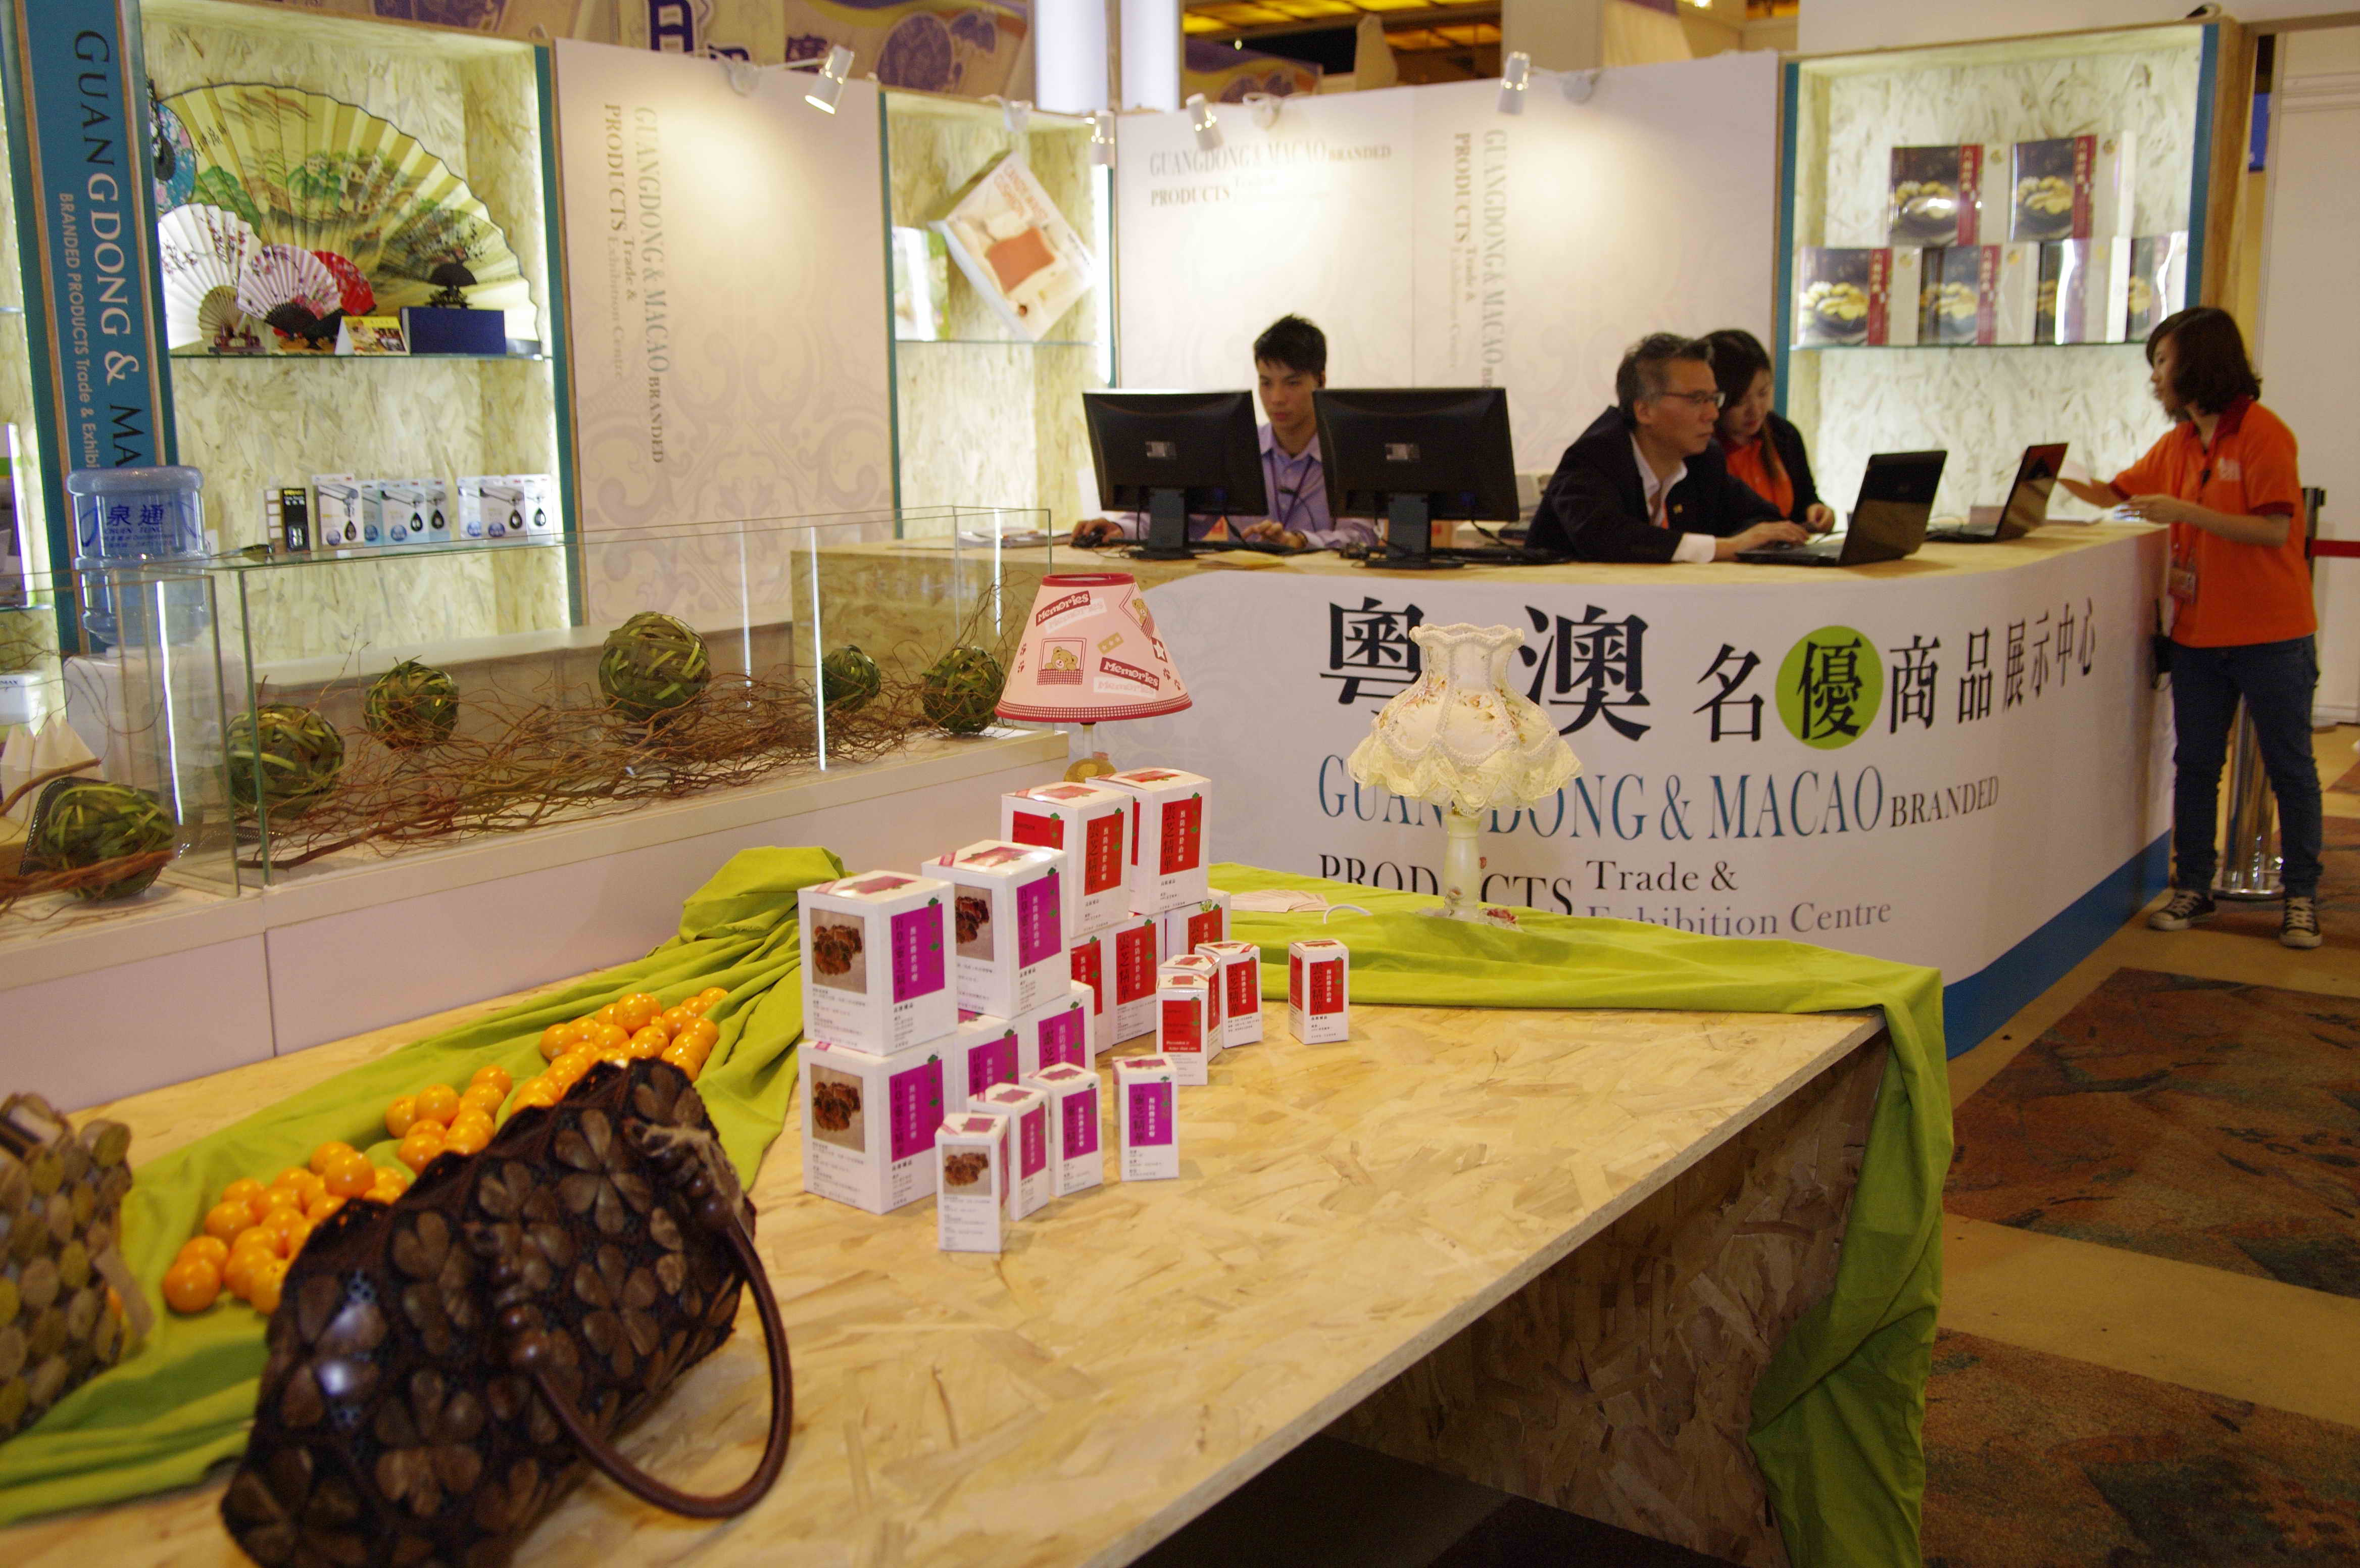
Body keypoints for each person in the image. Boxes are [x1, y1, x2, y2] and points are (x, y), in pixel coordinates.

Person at [2057, 306, 2322, 950]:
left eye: (2162, 361)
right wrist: (2049, 474)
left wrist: (2185, 511)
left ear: (2198, 362)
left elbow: (2273, 530)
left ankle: (2301, 897)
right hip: (2199, 634)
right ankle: (2194, 885)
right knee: (2196, 763)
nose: (2155, 376)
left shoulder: (2263, 434)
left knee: (2290, 766)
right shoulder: (2178, 443)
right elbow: (2116, 493)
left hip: (2271, 632)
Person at [1071, 315, 1377, 552]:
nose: (1276, 398)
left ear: (1321, 381)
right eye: (1266, 383)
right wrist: (1121, 529)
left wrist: (1300, 540)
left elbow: (1362, 536)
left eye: (1292, 383)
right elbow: (1185, 517)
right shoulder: (1238, 448)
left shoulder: (1347, 454)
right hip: (1240, 595)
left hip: (1323, 595)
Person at [1528, 333, 1820, 563]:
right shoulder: (1596, 455)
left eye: (1714, 399)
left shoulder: (1703, 459)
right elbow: (1604, 536)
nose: (1712, 414)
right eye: (1697, 400)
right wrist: (1723, 547)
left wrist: (1750, 539)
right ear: (1645, 411)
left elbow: (1762, 517)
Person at [1705, 327, 1834, 532]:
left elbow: (1806, 501)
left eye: (1763, 393)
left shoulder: (1783, 434)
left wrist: (1817, 511)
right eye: (1740, 401)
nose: (1756, 410)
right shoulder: (1701, 448)